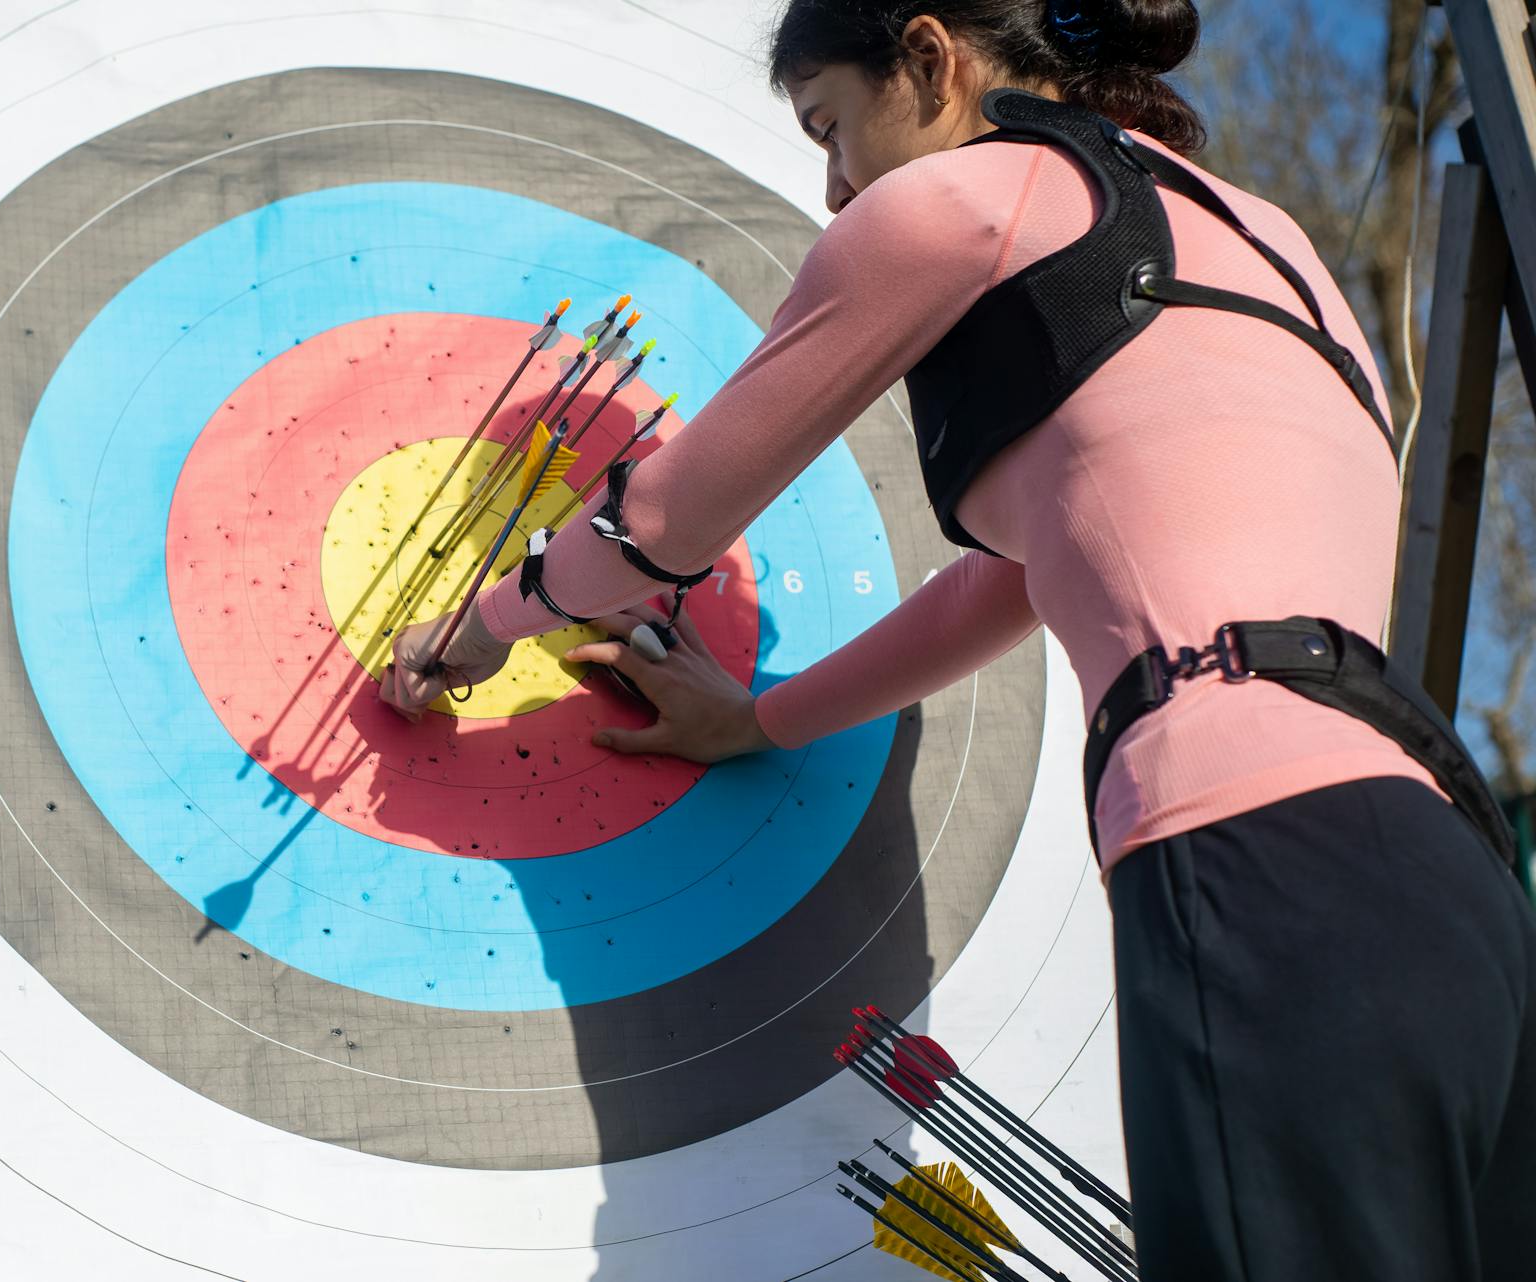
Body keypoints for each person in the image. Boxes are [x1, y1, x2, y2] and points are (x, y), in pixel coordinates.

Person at [379, 2, 1535, 1276]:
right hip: (1451, 862)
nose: (832, 188)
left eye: (834, 126)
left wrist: (490, 621)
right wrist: (758, 718)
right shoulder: (1269, 240)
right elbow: (1009, 583)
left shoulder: (967, 203)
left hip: (1248, 837)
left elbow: (666, 515)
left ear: (930, 58)